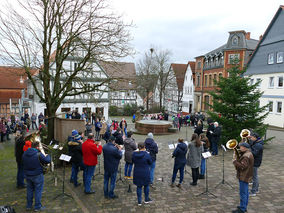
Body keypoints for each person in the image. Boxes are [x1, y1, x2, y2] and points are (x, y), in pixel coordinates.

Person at [22, 141, 51, 211]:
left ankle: (28, 206)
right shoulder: (38, 154)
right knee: (38, 191)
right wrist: (48, 155)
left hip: (28, 175)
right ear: (37, 147)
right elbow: (47, 160)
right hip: (37, 175)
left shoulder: (24, 153)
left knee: (29, 190)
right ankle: (37, 206)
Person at [232, 142, 254, 213]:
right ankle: (244, 206)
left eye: (241, 147)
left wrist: (235, 161)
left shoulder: (246, 156)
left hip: (244, 176)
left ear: (244, 147)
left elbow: (242, 166)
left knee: (243, 193)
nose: (239, 148)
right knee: (246, 192)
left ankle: (242, 208)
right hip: (247, 175)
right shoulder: (248, 153)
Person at [132, 142, 153, 206]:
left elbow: (132, 161)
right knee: (146, 185)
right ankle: (146, 199)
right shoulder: (147, 155)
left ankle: (139, 201)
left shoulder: (134, 154)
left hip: (137, 172)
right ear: (144, 147)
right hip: (145, 172)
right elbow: (150, 162)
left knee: (139, 186)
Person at [248, 132, 264, 196]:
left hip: (255, 162)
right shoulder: (256, 142)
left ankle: (253, 191)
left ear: (255, 138)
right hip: (254, 161)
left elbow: (254, 153)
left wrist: (248, 149)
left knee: (255, 177)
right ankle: (256, 189)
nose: (251, 138)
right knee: (254, 176)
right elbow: (251, 145)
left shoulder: (258, 145)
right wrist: (249, 140)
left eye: (251, 137)